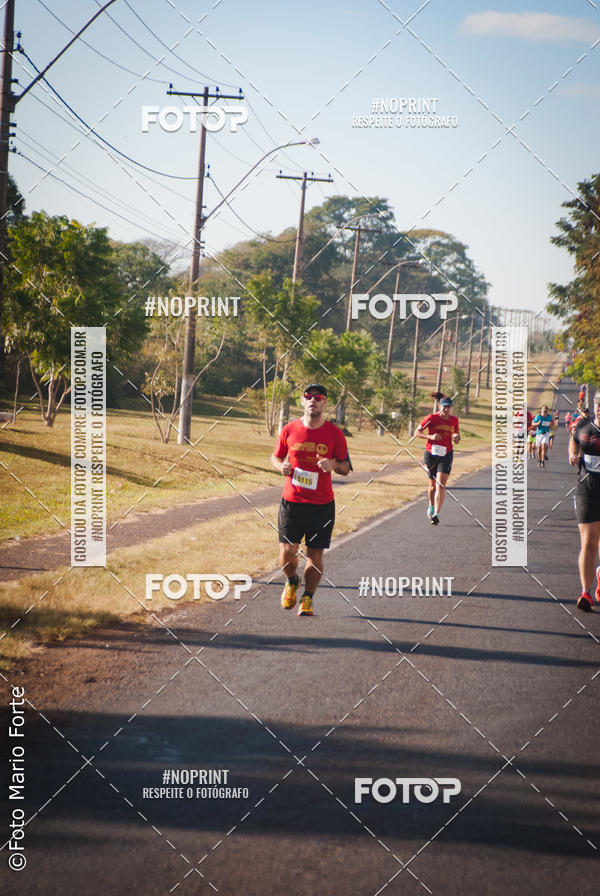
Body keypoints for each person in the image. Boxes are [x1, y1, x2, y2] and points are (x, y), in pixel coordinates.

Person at [271, 384, 351, 616]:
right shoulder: (289, 429)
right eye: (309, 397)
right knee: (287, 552)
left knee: (314, 555)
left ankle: (308, 597)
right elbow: (275, 457)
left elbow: (346, 468)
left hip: (321, 506)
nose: (313, 400)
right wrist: (281, 466)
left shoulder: (335, 434)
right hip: (292, 502)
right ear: (303, 402)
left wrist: (333, 464)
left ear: (325, 403)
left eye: (319, 397)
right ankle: (292, 580)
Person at [569, 390, 600, 612]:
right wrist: (573, 455)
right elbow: (574, 442)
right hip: (586, 490)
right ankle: (586, 592)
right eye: (598, 403)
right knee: (588, 541)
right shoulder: (583, 426)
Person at [415, 396, 460, 525]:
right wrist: (430, 436)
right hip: (431, 453)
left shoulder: (454, 420)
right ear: (440, 406)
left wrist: (456, 437)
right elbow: (416, 433)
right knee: (432, 486)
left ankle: (436, 514)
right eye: (444, 406)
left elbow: (456, 435)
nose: (446, 409)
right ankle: (431, 505)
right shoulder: (431, 418)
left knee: (441, 483)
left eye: (449, 407)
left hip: (446, 454)